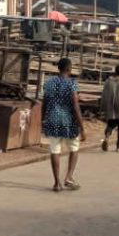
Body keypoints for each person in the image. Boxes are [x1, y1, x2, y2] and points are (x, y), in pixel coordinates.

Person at [43, 57, 86, 192]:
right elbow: (75, 106)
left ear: (58, 68)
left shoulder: (49, 83)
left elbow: (44, 102)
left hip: (52, 120)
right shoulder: (72, 83)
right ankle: (68, 177)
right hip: (69, 121)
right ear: (69, 69)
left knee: (55, 150)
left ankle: (57, 183)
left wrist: (42, 120)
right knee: (74, 148)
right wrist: (82, 127)